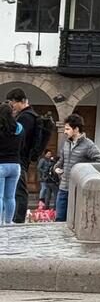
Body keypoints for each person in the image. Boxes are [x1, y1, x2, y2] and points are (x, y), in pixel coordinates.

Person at [6, 89, 47, 224]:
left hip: (19, 158)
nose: (12, 107)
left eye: (13, 103)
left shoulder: (26, 117)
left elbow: (19, 138)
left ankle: (18, 219)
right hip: (21, 158)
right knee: (17, 189)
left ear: (22, 101)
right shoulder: (29, 115)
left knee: (19, 190)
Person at [53, 114, 100, 221]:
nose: (65, 132)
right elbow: (61, 161)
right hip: (63, 187)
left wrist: (86, 173)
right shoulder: (66, 143)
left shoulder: (88, 144)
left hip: (78, 190)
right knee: (59, 219)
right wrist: (56, 168)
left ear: (76, 129)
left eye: (67, 129)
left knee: (74, 221)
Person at [0, 100, 21, 223]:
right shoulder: (19, 128)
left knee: (0, 197)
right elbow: (22, 144)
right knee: (10, 196)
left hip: (1, 165)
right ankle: (8, 222)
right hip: (15, 165)